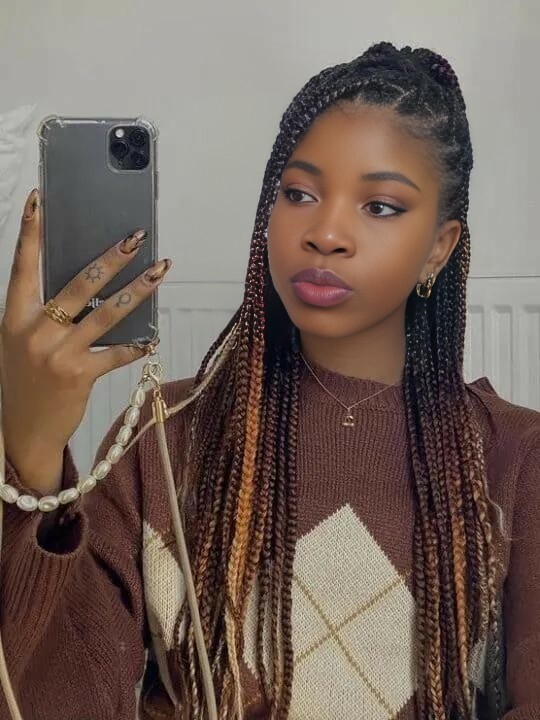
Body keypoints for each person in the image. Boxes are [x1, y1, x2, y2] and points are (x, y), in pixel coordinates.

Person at [0, 40, 538, 720]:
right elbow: (53, 701)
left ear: (439, 246)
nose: (325, 233)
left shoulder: (517, 458)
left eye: (379, 206)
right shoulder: (161, 439)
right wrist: (32, 453)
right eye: (299, 193)